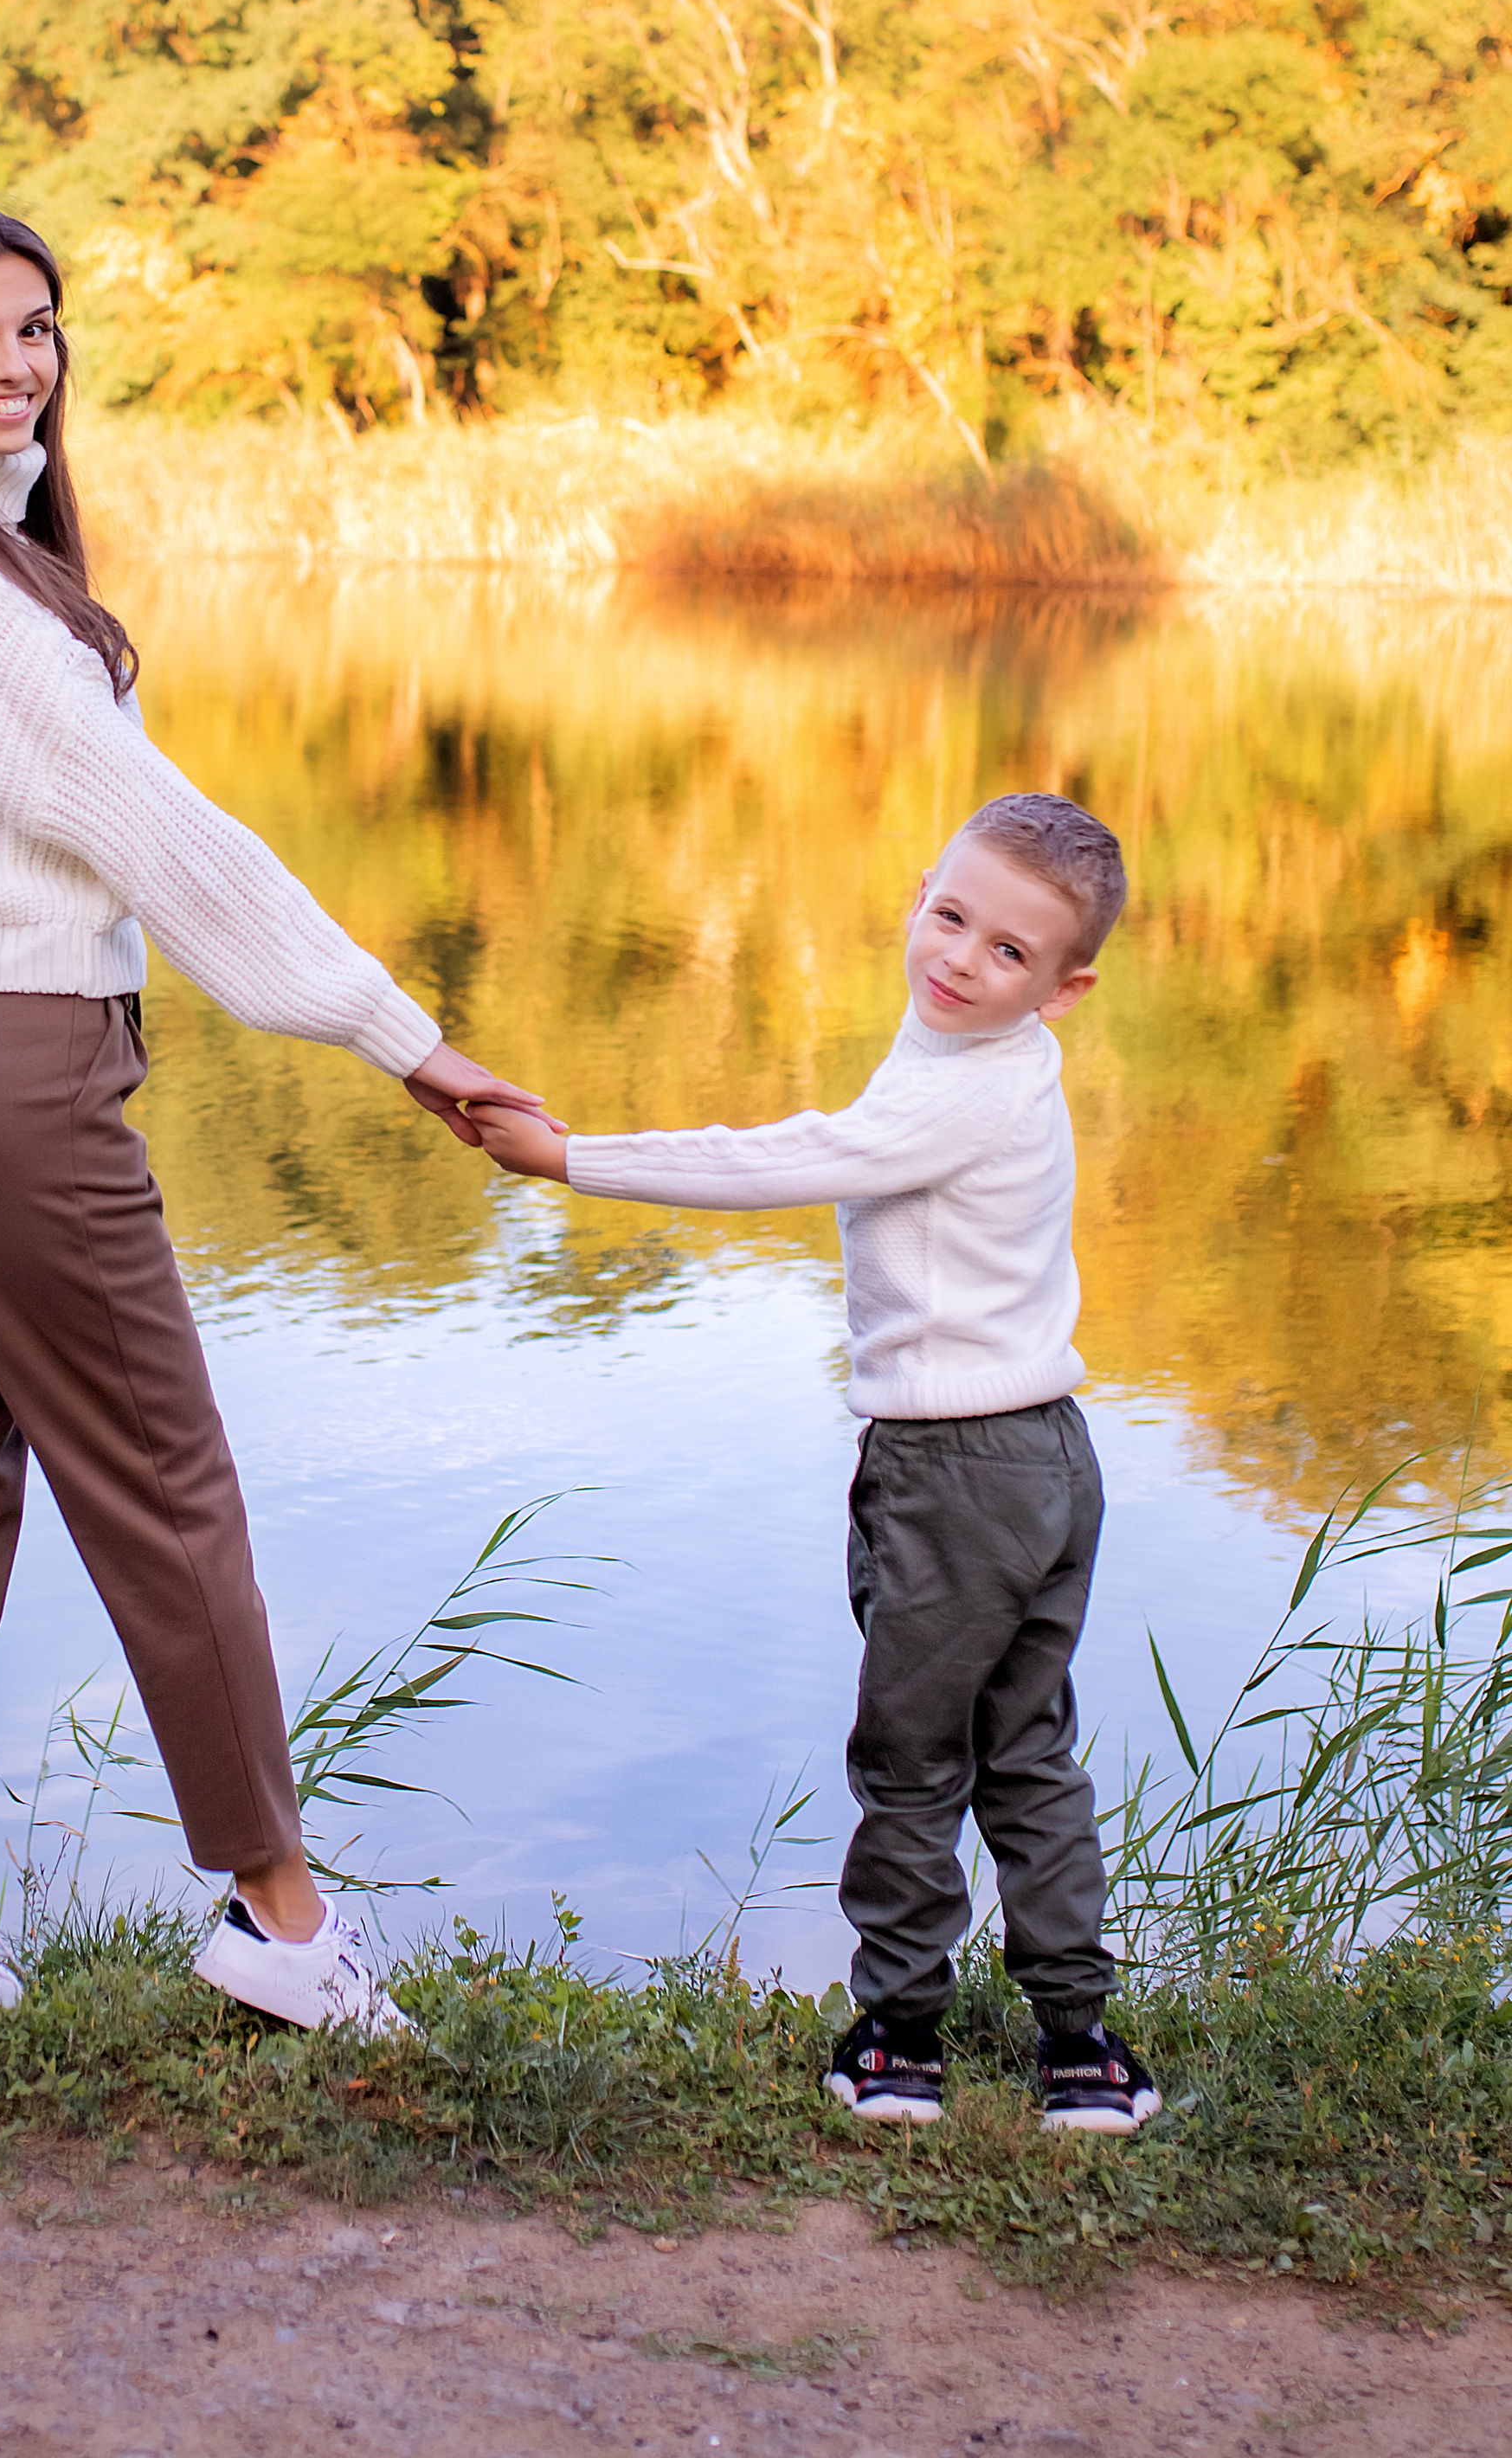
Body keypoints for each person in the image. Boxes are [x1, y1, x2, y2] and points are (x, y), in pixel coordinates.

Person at [0, 199, 542, 2053]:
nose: (17, 364)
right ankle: (281, 1919)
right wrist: (400, 1040)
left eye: (36, 328)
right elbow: (172, 844)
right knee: (164, 1489)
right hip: (15, 1062)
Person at [466, 793, 1162, 2138]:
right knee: (1028, 1747)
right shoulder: (987, 1053)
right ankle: (1082, 2044)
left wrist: (569, 1160)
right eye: (949, 918)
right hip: (1047, 1453)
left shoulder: (962, 1087)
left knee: (913, 1758)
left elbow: (788, 1156)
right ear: (918, 893)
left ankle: (900, 2033)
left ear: (1067, 991)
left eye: (1009, 954)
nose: (961, 960)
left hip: (957, 1470)